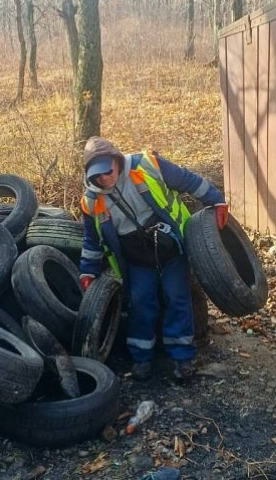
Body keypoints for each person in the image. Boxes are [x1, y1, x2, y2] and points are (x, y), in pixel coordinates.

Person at [78, 136, 228, 382]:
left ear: (116, 161)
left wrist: (216, 200)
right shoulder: (91, 201)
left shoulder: (147, 165)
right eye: (97, 176)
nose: (105, 178)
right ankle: (141, 359)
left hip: (171, 248)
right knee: (140, 303)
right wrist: (88, 271)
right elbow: (92, 240)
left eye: (107, 171)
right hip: (136, 259)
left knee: (177, 298)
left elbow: (188, 180)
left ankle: (182, 360)